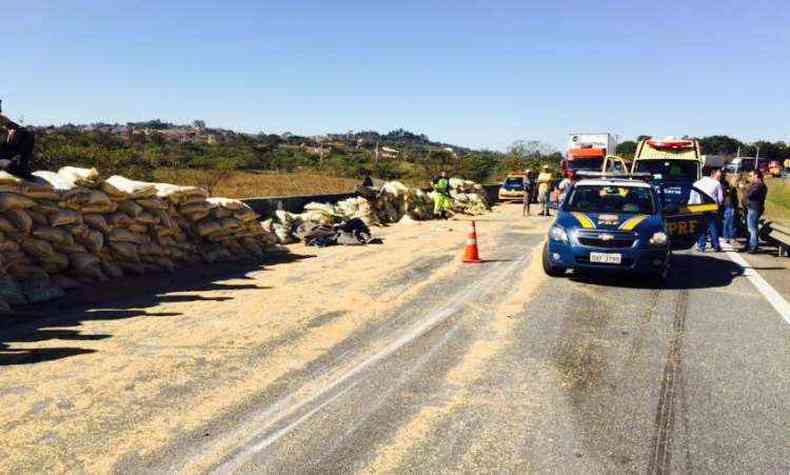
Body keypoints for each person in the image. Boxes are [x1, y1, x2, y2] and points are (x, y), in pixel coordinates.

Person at [692, 168, 724, 252]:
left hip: (699, 207)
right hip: (711, 207)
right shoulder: (717, 183)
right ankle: (716, 246)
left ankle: (701, 246)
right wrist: (718, 207)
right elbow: (720, 198)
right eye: (719, 176)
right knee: (713, 226)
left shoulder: (699, 182)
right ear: (713, 174)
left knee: (701, 227)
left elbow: (693, 194)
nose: (720, 178)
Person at [0, 111, 34, 179]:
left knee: (27, 134)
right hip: (6, 160)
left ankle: (22, 170)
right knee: (9, 165)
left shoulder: (25, 134)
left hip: (12, 160)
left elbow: (18, 129)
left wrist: (11, 132)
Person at [741, 171, 767, 254]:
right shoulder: (754, 185)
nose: (750, 177)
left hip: (754, 208)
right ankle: (749, 245)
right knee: (750, 228)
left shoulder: (759, 185)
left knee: (752, 228)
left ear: (756, 176)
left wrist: (743, 188)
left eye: (751, 175)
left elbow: (750, 195)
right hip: (750, 208)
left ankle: (753, 246)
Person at [721, 171, 738, 245]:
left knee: (728, 222)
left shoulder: (726, 184)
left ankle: (727, 237)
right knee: (730, 222)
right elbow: (727, 194)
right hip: (729, 205)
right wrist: (731, 187)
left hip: (729, 205)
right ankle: (730, 238)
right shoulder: (726, 185)